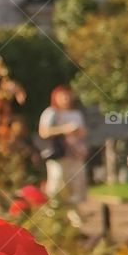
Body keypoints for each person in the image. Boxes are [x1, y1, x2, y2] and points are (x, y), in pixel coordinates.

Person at [38, 85, 87, 225]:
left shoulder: (76, 114)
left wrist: (76, 133)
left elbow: (83, 132)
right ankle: (52, 216)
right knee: (56, 183)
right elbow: (43, 132)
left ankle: (73, 219)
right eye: (63, 96)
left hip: (74, 154)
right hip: (58, 155)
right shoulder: (51, 113)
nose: (66, 99)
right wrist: (64, 129)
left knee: (75, 185)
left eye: (68, 95)